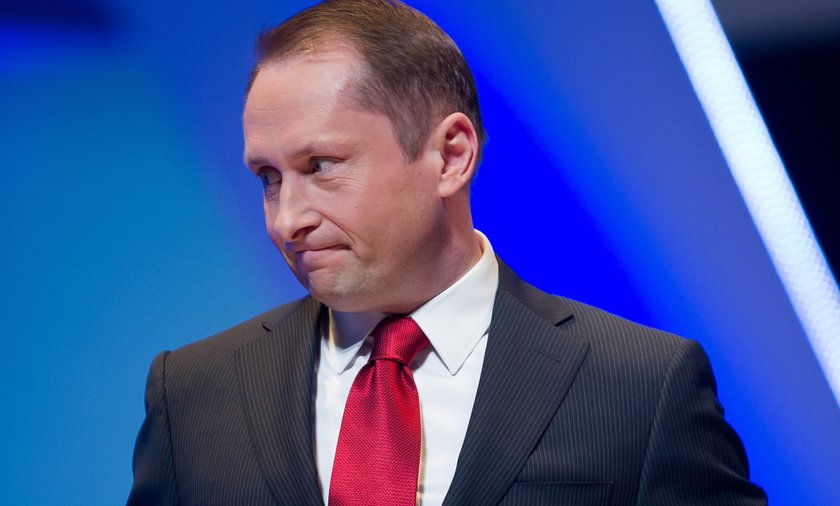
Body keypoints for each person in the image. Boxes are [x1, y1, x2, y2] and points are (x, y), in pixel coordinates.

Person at [128, 1, 767, 504]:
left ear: (450, 155)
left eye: (321, 165)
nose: (287, 219)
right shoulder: (191, 394)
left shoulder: (640, 386)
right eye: (268, 178)